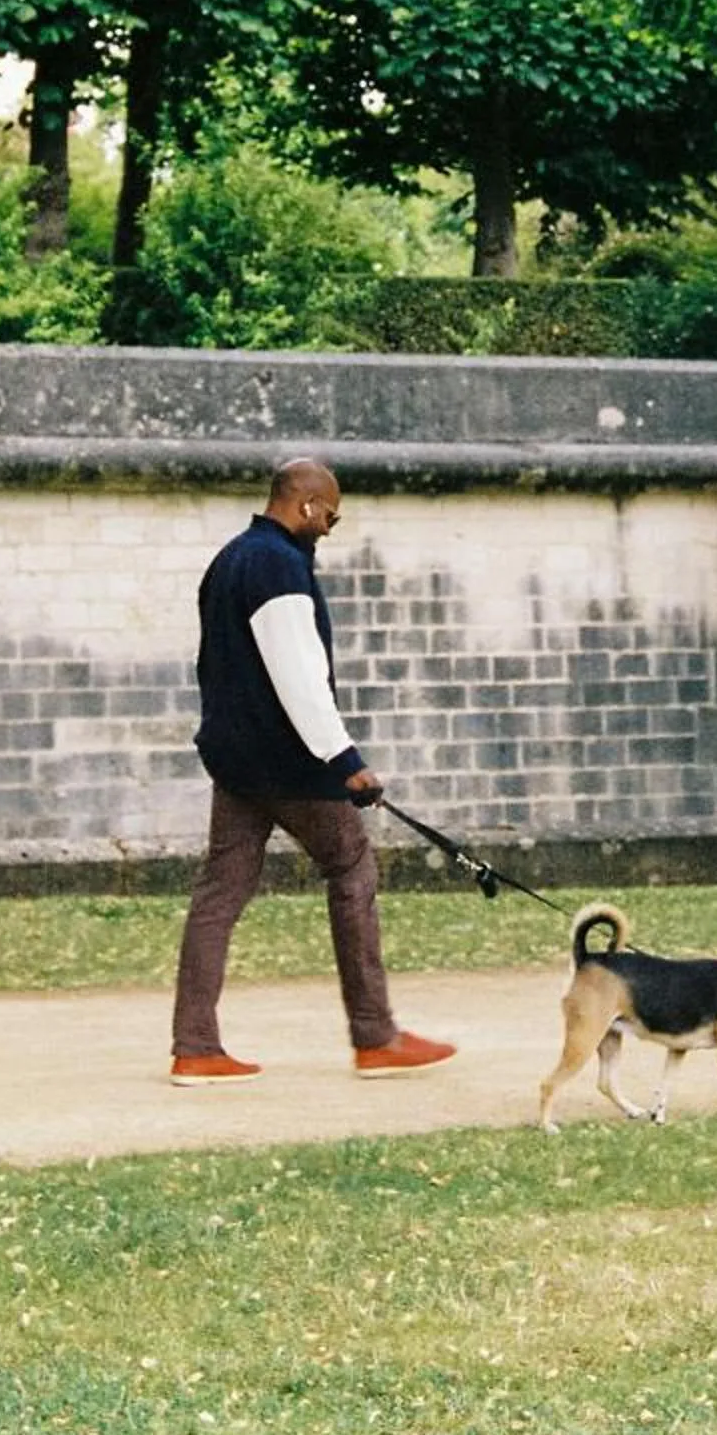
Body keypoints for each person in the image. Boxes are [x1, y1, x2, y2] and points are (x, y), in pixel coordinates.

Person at [169, 456, 457, 1085]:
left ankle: (195, 1046)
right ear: (303, 505)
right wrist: (346, 761)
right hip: (289, 763)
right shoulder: (278, 565)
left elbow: (214, 666)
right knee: (352, 867)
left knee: (219, 894)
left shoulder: (228, 561)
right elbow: (298, 674)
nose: (330, 526)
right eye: (330, 513)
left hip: (236, 761)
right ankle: (376, 1036)